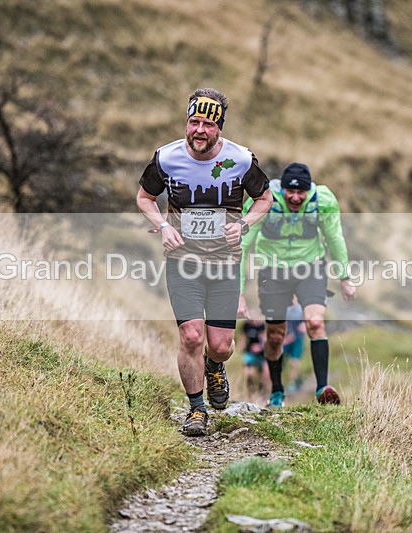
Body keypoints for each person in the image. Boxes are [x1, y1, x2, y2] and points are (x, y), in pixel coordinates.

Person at [137, 88, 272, 436]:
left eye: (208, 124)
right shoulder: (166, 158)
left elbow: (264, 199)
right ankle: (197, 410)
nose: (199, 130)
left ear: (219, 129)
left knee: (221, 346)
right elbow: (145, 197)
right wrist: (163, 226)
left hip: (225, 264)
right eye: (194, 121)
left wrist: (243, 225)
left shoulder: (241, 160)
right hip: (183, 262)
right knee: (191, 337)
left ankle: (214, 366)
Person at [238, 162, 355, 408]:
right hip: (273, 270)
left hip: (309, 267)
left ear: (309, 190)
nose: (295, 197)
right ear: (282, 189)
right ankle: (277, 391)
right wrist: (237, 290)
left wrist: (344, 277)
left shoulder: (322, 201)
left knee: (314, 322)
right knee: (275, 336)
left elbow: (335, 237)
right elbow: (244, 242)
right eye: (290, 192)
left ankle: (323, 388)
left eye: (300, 192)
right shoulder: (264, 199)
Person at [241, 316, 269, 398]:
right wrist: (241, 344)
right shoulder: (247, 325)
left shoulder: (262, 326)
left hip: (262, 355)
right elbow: (243, 337)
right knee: (248, 373)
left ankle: (263, 393)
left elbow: (265, 341)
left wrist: (260, 347)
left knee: (264, 375)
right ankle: (251, 391)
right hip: (250, 353)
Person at [283, 298, 306, 394]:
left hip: (298, 339)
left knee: (294, 362)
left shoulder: (302, 309)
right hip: (286, 339)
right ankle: (293, 381)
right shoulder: (285, 309)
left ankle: (292, 384)